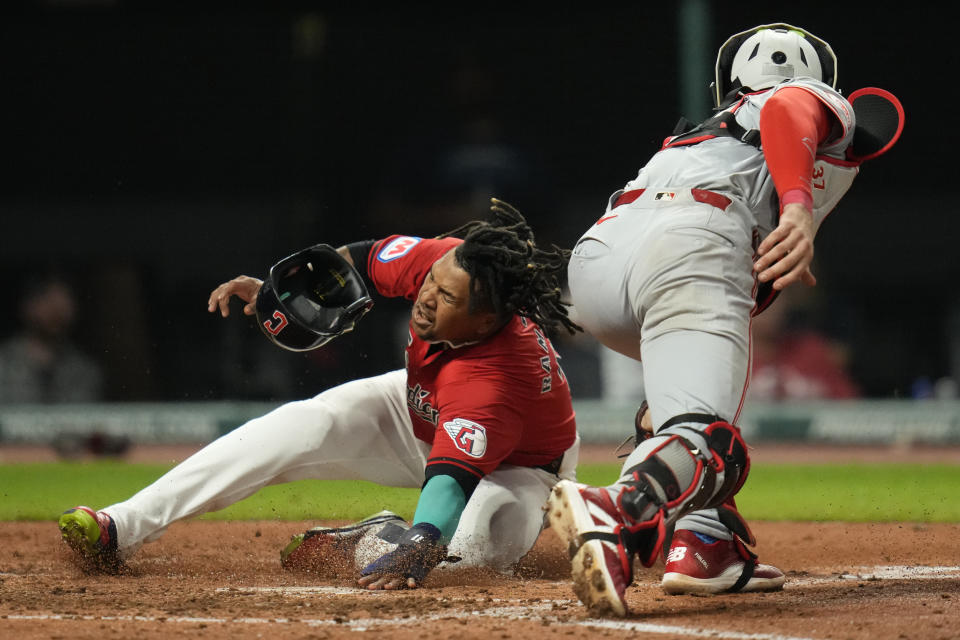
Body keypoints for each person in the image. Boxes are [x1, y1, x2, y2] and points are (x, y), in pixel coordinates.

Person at [546, 23, 902, 616]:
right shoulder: (802, 97)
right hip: (693, 244)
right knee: (711, 444)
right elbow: (790, 106)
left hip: (599, 262)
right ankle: (619, 511)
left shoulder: (700, 135)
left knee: (679, 413)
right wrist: (797, 210)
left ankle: (705, 543)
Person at [58, 199, 582, 590]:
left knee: (459, 558)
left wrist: (422, 537)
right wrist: (277, 289)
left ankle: (372, 537)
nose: (426, 295)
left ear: (487, 319)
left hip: (517, 466)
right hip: (418, 406)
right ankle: (121, 525)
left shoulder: (494, 381)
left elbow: (449, 481)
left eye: (446, 298)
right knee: (302, 425)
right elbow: (352, 261)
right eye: (431, 283)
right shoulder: (447, 262)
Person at [0, 273, 103, 404]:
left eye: (63, 304)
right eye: (47, 301)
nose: (56, 313)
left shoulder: (84, 370)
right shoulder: (4, 363)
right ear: (27, 306)